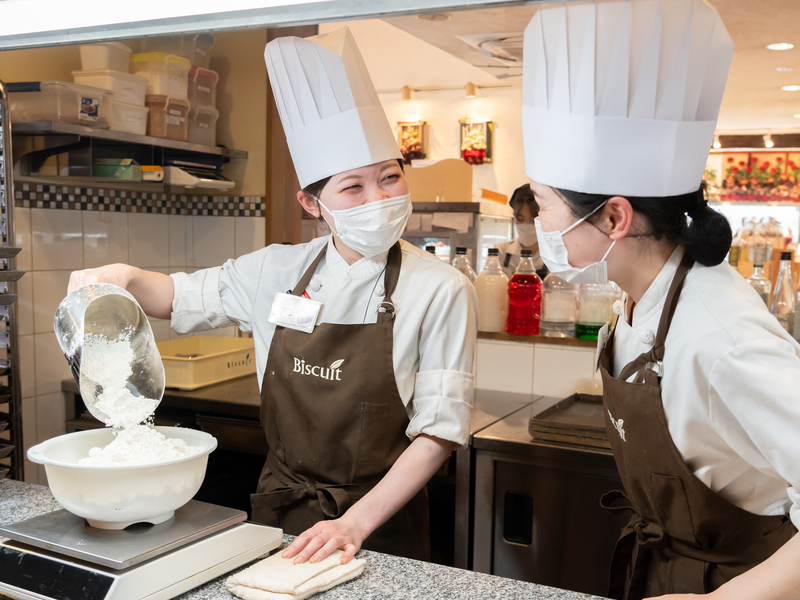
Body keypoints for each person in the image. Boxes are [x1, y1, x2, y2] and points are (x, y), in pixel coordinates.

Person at [68, 28, 477, 566]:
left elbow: (437, 434)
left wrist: (352, 525)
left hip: (378, 524)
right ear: (313, 203)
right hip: (280, 517)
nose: (378, 199)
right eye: (353, 187)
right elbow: (177, 296)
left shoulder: (442, 288)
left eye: (390, 178)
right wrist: (122, 274)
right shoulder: (275, 270)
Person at [522, 1, 799, 599]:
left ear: (614, 217)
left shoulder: (719, 335)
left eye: (542, 205)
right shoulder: (635, 305)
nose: (534, 223)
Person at [494, 183, 548, 279]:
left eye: (532, 221)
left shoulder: (553, 254)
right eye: (521, 219)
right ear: (514, 217)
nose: (526, 225)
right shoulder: (501, 252)